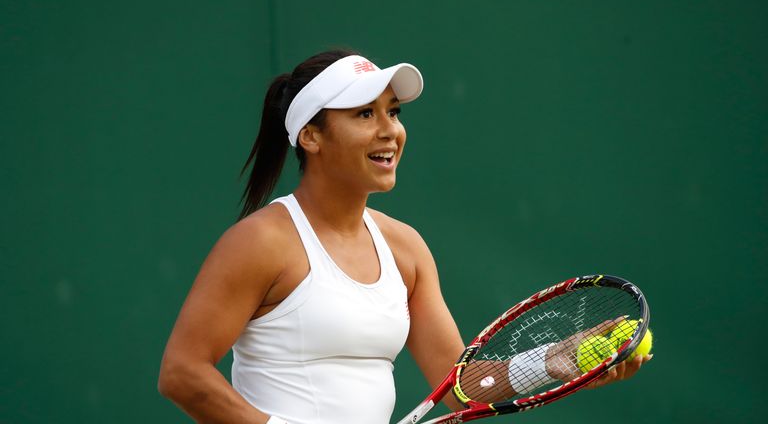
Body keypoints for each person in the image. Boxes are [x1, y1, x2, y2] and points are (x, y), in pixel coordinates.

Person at [158, 49, 649, 424]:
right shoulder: (262, 242)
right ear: (311, 136)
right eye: (364, 114)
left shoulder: (405, 249)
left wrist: (552, 362)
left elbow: (458, 385)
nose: (390, 130)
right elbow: (182, 371)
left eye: (393, 112)